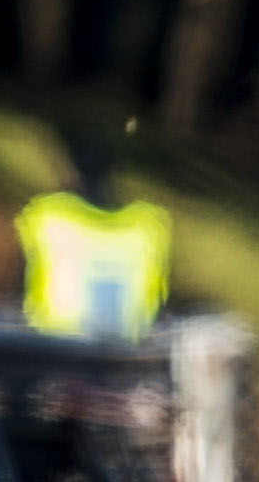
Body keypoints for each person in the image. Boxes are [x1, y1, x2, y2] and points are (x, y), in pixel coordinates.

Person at [18, 143, 173, 341]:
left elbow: (17, 288)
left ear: (71, 171)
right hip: (126, 350)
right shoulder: (148, 225)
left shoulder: (49, 216)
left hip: (57, 347)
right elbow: (160, 301)